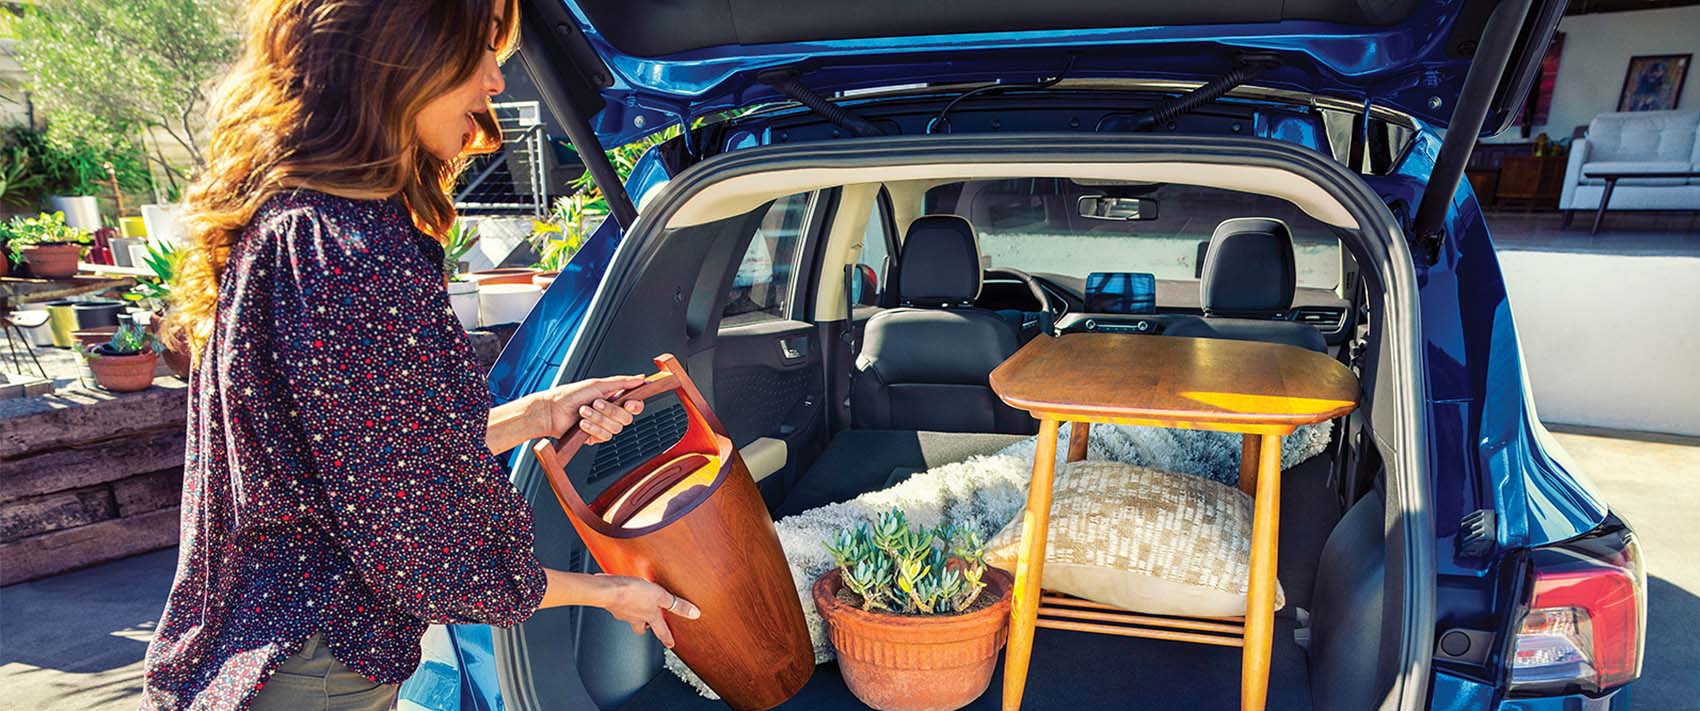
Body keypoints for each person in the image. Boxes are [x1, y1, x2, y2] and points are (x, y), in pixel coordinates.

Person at [140, 1, 698, 709]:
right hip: (314, 672)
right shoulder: (355, 255)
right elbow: (424, 543)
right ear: (400, 50)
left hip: (259, 656)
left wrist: (538, 413)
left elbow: (362, 464)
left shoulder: (293, 226)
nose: (496, 81)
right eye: (478, 49)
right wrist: (607, 589)